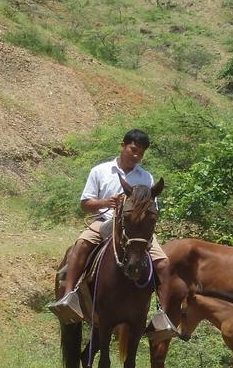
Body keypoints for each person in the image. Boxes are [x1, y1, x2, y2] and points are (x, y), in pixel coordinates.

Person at [49, 129, 178, 339]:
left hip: (135, 229)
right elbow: (85, 204)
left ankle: (161, 315)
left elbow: (153, 208)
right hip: (104, 221)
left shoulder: (146, 176)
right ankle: (69, 296)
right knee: (81, 244)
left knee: (163, 263)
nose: (136, 155)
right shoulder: (100, 171)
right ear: (123, 145)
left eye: (141, 153)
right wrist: (106, 203)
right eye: (133, 150)